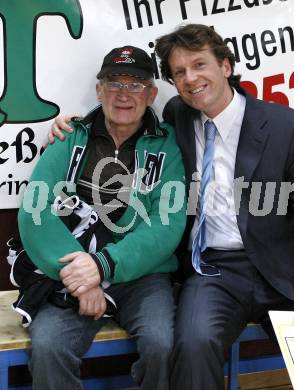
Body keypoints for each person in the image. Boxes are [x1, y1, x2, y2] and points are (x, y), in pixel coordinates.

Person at [50, 24, 294, 390]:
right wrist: (71, 126)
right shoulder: (177, 116)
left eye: (199, 65)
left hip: (283, 270)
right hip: (214, 270)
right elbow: (122, 121)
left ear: (226, 66)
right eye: (179, 72)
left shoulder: (288, 127)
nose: (190, 78)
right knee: (191, 344)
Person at [16, 44, 186, 390]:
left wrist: (104, 265)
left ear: (151, 93)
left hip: (144, 276)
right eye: (114, 83)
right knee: (49, 347)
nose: (124, 94)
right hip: (72, 272)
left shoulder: (167, 145)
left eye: (136, 84)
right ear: (99, 90)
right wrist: (82, 277)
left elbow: (166, 224)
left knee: (162, 345)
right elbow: (35, 208)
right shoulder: (69, 137)